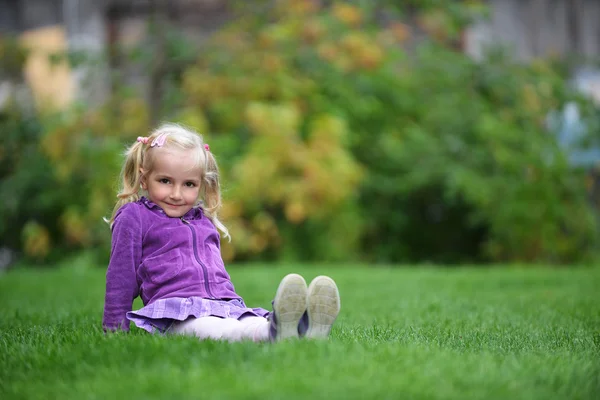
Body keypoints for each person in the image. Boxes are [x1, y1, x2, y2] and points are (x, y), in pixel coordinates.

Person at [102, 123, 341, 342]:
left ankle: (305, 329)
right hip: (176, 311)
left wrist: (229, 305)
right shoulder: (135, 216)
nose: (176, 193)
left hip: (224, 304)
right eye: (165, 181)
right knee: (215, 329)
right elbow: (120, 277)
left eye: (189, 184)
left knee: (248, 321)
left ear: (201, 184)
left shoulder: (203, 221)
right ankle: (275, 331)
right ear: (144, 178)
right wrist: (114, 328)